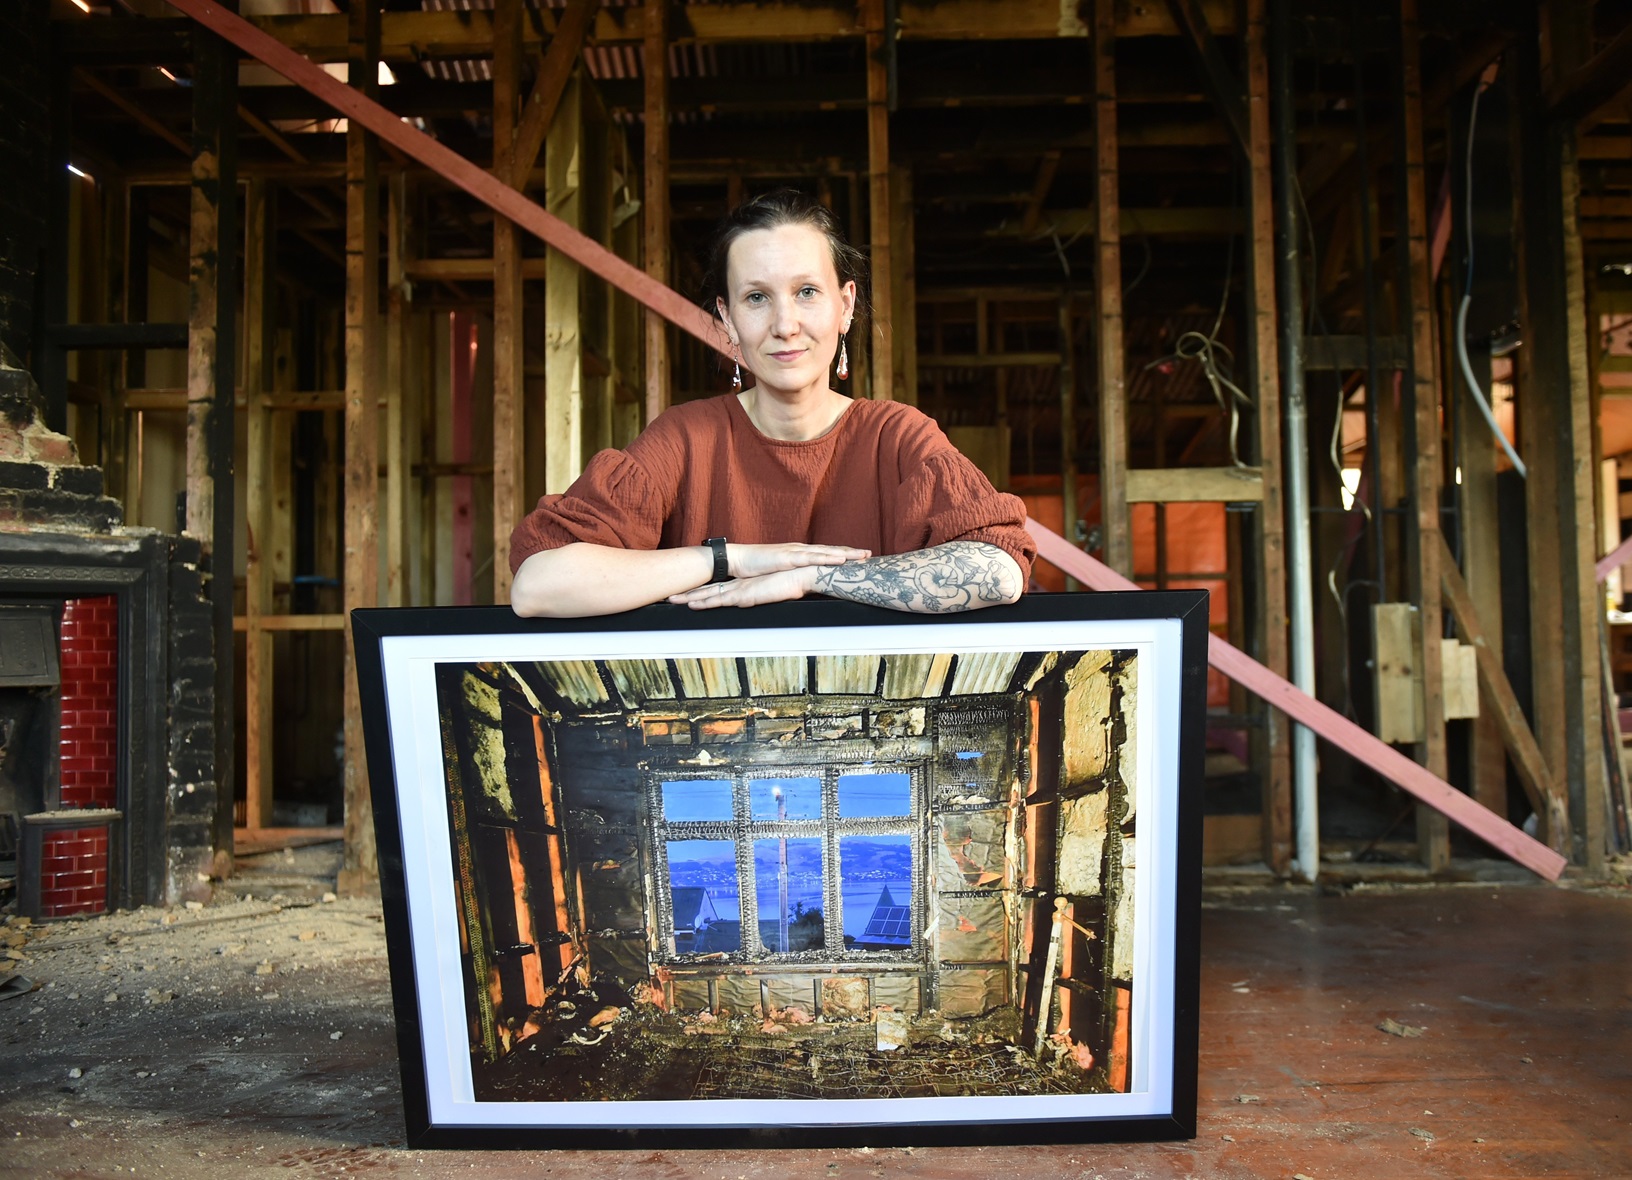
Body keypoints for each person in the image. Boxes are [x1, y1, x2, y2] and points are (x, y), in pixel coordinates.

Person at [507, 189, 1035, 618]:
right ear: (728, 318)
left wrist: (808, 577)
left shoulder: (896, 437)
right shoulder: (685, 440)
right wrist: (732, 559)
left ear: (845, 306)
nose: (785, 325)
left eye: (807, 291)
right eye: (757, 297)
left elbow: (998, 572)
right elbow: (539, 585)